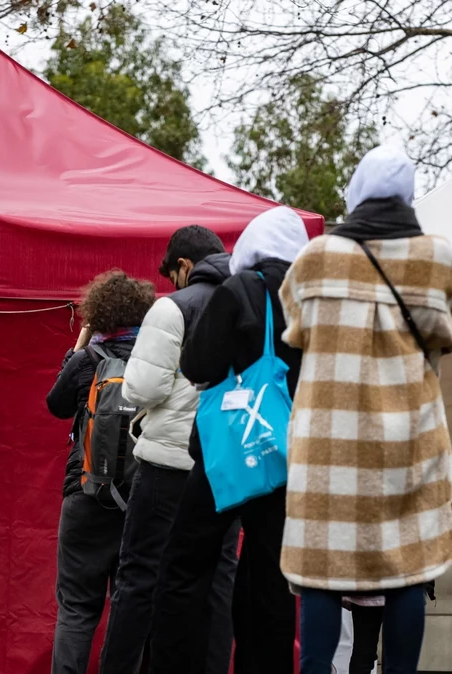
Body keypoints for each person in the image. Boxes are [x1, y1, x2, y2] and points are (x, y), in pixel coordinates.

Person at [280, 145, 452, 674]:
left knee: (321, 565)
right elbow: (447, 331)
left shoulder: (314, 259)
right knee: (408, 564)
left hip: (328, 438)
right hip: (409, 434)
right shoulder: (437, 258)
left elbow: (296, 326)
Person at [147, 206, 310, 674]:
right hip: (285, 453)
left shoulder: (243, 288)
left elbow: (199, 365)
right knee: (268, 577)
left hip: (231, 452)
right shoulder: (312, 300)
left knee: (184, 566)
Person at [99, 227, 240, 674]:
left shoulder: (172, 307)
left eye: (172, 273)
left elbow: (141, 389)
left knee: (139, 577)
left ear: (184, 266)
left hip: (168, 462)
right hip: (226, 465)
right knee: (216, 582)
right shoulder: (249, 299)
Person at [46, 270, 156, 674]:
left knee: (76, 609)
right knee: (135, 606)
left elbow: (56, 405)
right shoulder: (154, 364)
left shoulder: (86, 360)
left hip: (85, 494)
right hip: (141, 499)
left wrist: (75, 352)